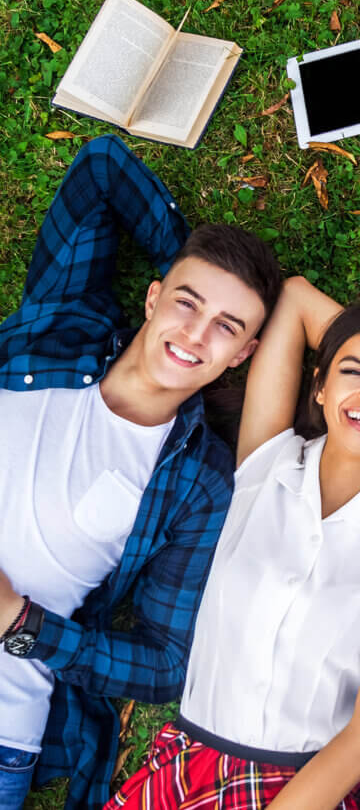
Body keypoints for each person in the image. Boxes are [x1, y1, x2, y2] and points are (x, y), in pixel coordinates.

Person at [0, 135, 282, 810]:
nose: (193, 335)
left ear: (244, 354)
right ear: (152, 296)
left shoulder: (197, 482)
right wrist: (191, 255)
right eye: (186, 301)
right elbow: (101, 167)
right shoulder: (61, 328)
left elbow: (164, 663)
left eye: (226, 328)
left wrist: (20, 622)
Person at [106, 276, 360, 810]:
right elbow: (294, 298)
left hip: (314, 787)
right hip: (189, 765)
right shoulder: (266, 460)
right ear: (318, 386)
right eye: (352, 372)